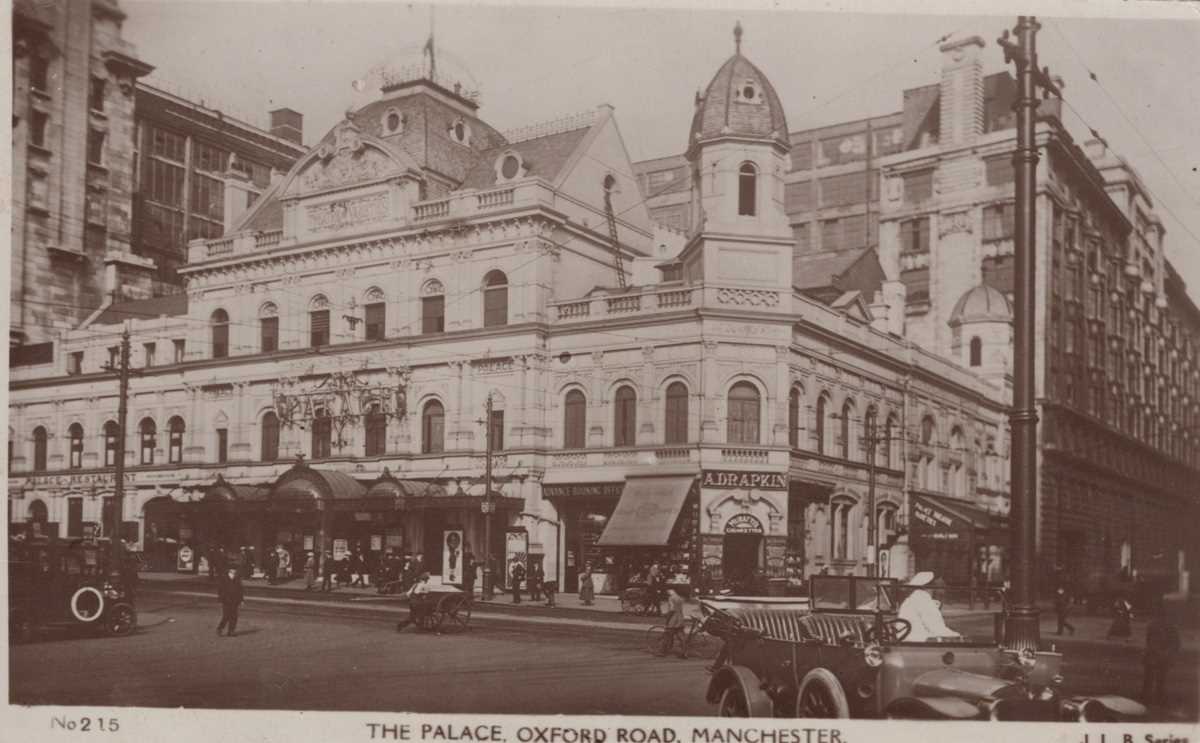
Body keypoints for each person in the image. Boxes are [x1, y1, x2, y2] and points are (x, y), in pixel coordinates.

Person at [898, 571, 961, 642]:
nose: (945, 588)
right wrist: (958, 636)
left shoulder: (917, 596)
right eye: (941, 585)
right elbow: (936, 628)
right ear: (931, 586)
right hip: (914, 642)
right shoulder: (923, 599)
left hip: (909, 638)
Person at [1142, 599, 1181, 705]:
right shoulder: (1169, 627)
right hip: (1159, 655)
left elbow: (1149, 641)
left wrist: (1154, 651)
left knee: (1152, 679)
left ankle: (1150, 698)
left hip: (1156, 655)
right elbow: (1176, 644)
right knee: (1157, 679)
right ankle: (1155, 698)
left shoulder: (1155, 625)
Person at [657, 587, 688, 658]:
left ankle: (662, 652)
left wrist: (667, 617)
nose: (667, 592)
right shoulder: (680, 598)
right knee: (681, 637)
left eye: (668, 590)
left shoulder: (671, 598)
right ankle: (684, 653)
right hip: (680, 619)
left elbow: (672, 609)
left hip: (673, 620)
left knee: (667, 635)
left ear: (671, 590)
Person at [216, 566, 244, 637]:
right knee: (226, 616)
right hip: (226, 600)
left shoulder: (237, 579)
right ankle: (220, 628)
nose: (234, 571)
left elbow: (240, 590)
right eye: (232, 570)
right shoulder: (224, 578)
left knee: (234, 616)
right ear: (229, 570)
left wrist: (241, 600)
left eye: (235, 570)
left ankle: (231, 631)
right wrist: (221, 599)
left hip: (235, 600)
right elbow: (220, 590)